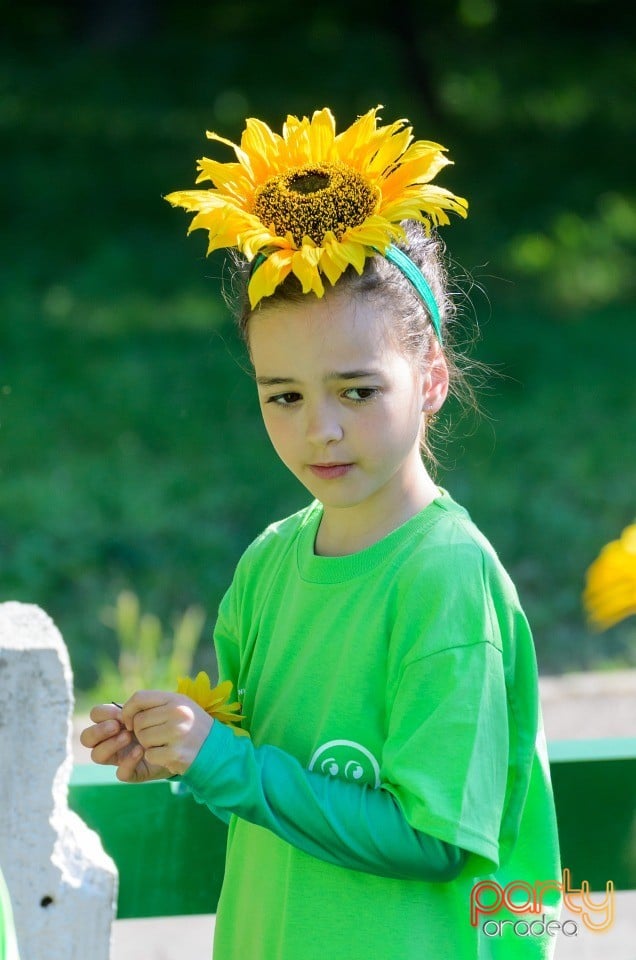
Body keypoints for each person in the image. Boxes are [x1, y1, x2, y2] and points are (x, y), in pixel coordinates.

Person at [81, 107, 563, 959]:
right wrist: (181, 743)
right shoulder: (270, 564)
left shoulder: (447, 578)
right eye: (285, 395)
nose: (321, 432)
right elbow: (267, 763)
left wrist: (225, 764)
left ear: (433, 381)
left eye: (357, 390)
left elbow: (435, 838)